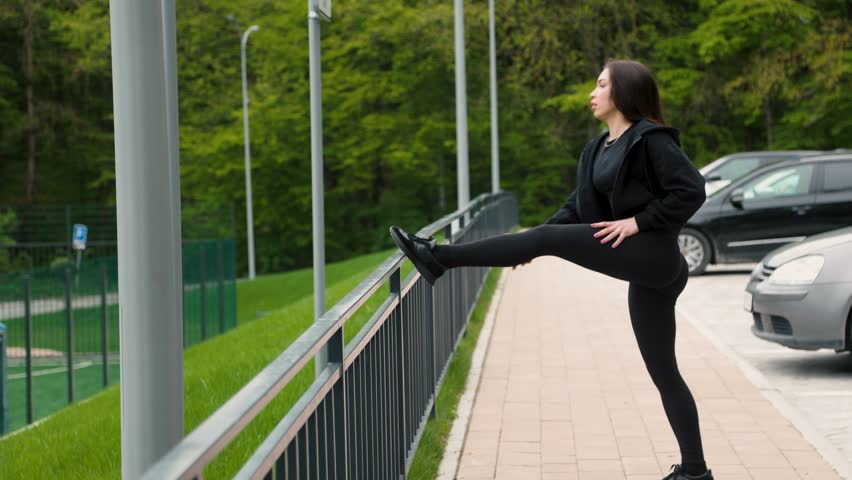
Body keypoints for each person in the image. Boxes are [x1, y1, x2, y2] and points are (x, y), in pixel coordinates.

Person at [389, 59, 713, 480]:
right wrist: (525, 245)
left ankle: (438, 258)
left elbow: (693, 190)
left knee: (544, 240)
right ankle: (695, 471)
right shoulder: (598, 149)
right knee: (664, 372)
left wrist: (637, 222)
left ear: (623, 93)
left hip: (656, 254)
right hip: (643, 271)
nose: (592, 93)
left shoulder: (651, 140)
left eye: (601, 85)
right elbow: (576, 209)